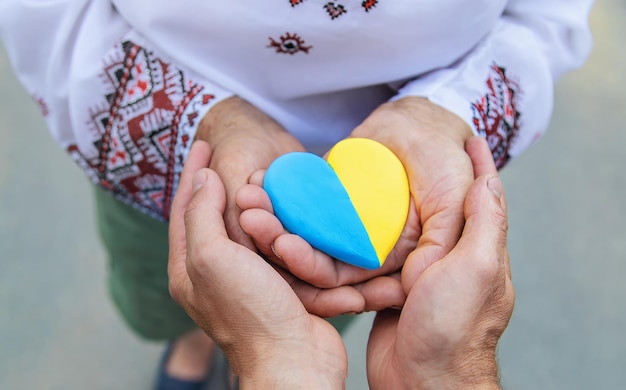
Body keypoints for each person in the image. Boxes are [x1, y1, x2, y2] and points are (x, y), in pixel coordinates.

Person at [0, 1, 592, 388]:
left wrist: (445, 112)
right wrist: (211, 121)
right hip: (172, 162)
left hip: (401, 194)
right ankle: (194, 339)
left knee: (310, 304)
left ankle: (250, 344)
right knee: (175, 279)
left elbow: (547, 16)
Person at [168, 136, 514, 389]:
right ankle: (199, 340)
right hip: (180, 163)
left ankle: (236, 352)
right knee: (205, 288)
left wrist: (276, 366)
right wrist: (448, 375)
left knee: (285, 296)